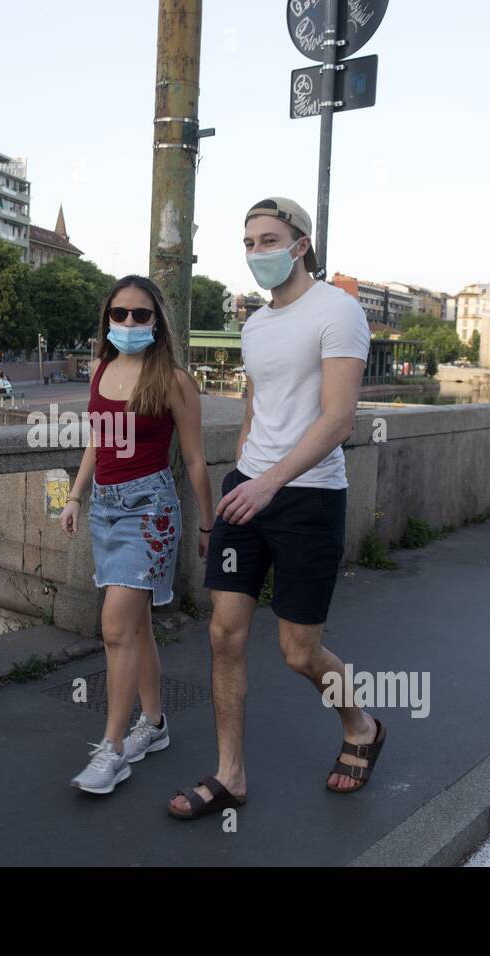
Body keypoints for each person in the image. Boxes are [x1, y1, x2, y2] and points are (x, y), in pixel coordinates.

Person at [168, 198, 378, 821]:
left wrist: (272, 483)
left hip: (310, 495)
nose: (258, 251)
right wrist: (243, 473)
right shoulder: (256, 325)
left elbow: (339, 419)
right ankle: (230, 775)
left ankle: (360, 725)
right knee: (223, 633)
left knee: (298, 651)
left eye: (269, 239)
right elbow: (258, 405)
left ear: (301, 244)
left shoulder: (338, 312)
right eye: (249, 242)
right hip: (250, 488)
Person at [59, 275, 214, 795]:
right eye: (119, 314)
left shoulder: (172, 380)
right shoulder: (100, 370)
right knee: (138, 625)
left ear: (157, 320)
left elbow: (193, 458)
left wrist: (208, 525)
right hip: (104, 508)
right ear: (107, 318)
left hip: (150, 513)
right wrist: (76, 496)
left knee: (116, 628)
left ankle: (113, 749)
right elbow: (97, 444)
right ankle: (155, 723)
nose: (128, 323)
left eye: (140, 315)